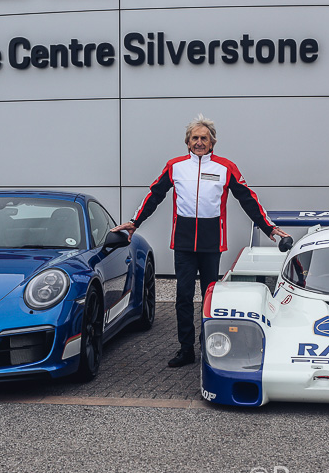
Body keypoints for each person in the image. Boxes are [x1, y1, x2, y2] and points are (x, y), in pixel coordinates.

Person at [112, 114, 288, 367]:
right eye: (195, 137)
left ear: (212, 141)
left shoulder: (226, 167)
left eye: (204, 138)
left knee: (210, 298)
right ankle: (186, 350)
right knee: (183, 297)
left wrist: (270, 229)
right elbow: (155, 195)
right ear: (187, 141)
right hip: (183, 243)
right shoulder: (175, 166)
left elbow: (248, 199)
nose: (199, 142)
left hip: (211, 243)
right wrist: (135, 222)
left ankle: (210, 349)